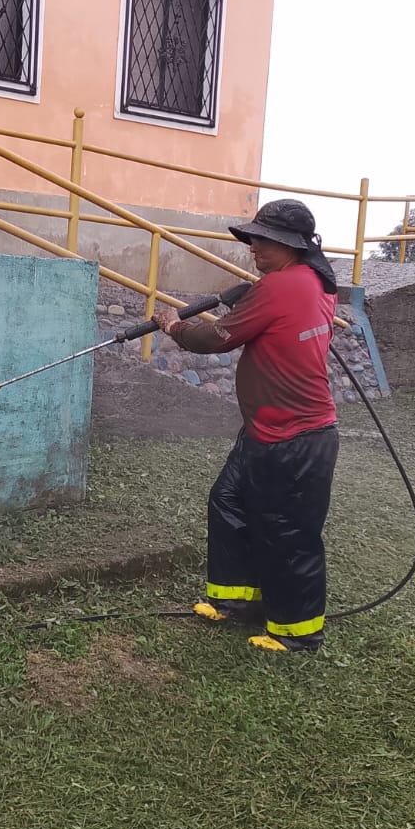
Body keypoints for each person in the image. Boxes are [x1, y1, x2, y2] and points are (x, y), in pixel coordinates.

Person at [153, 199, 340, 652]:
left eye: (262, 240)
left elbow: (215, 337)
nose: (252, 246)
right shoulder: (312, 282)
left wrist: (173, 326)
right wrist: (250, 299)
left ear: (291, 245)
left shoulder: (282, 286)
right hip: (264, 430)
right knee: (229, 501)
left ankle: (296, 633)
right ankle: (236, 599)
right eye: (252, 238)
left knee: (287, 531)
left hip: (295, 436)